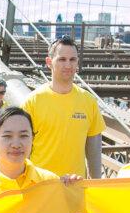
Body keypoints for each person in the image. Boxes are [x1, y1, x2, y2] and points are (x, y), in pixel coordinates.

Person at [0, 107, 80, 203]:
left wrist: (74, 192)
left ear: (32, 139)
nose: (16, 144)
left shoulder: (51, 183)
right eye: (7, 136)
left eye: (23, 136)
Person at [22, 37, 105, 179]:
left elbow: (94, 151)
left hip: (75, 187)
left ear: (77, 63)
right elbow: (21, 148)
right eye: (62, 59)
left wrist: (96, 186)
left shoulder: (89, 101)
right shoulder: (33, 101)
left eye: (72, 60)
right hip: (40, 186)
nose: (68, 65)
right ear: (49, 62)